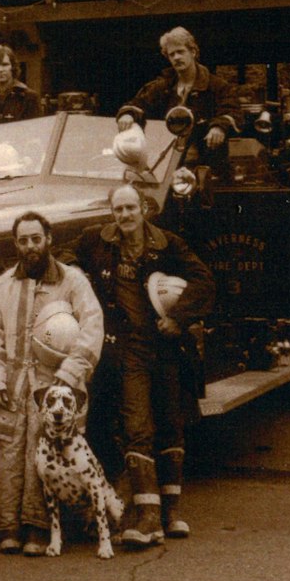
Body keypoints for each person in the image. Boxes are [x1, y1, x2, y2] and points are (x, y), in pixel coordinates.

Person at [71, 184, 216, 544]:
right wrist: (79, 276)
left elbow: (204, 279)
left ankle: (171, 512)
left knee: (170, 424)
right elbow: (67, 255)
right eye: (118, 209)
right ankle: (148, 516)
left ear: (144, 209)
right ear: (112, 213)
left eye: (130, 208)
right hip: (127, 350)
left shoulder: (167, 243)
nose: (125, 215)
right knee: (138, 426)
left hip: (166, 346)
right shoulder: (96, 240)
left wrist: (178, 318)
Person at [0, 212, 105, 556]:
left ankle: (37, 526)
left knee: (43, 451)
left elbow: (92, 329)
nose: (30, 246)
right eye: (23, 240)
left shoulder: (73, 281)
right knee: (7, 451)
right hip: (11, 384)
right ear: (16, 244)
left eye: (36, 238)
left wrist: (70, 375)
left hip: (55, 386)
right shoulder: (4, 284)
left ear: (49, 239)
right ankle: (8, 527)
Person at [116, 27, 236, 165]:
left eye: (180, 52)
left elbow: (232, 110)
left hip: (207, 163)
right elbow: (139, 103)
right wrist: (128, 114)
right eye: (171, 54)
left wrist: (219, 127)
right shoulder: (162, 87)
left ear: (193, 52)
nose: (176, 57)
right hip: (166, 163)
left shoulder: (217, 85)